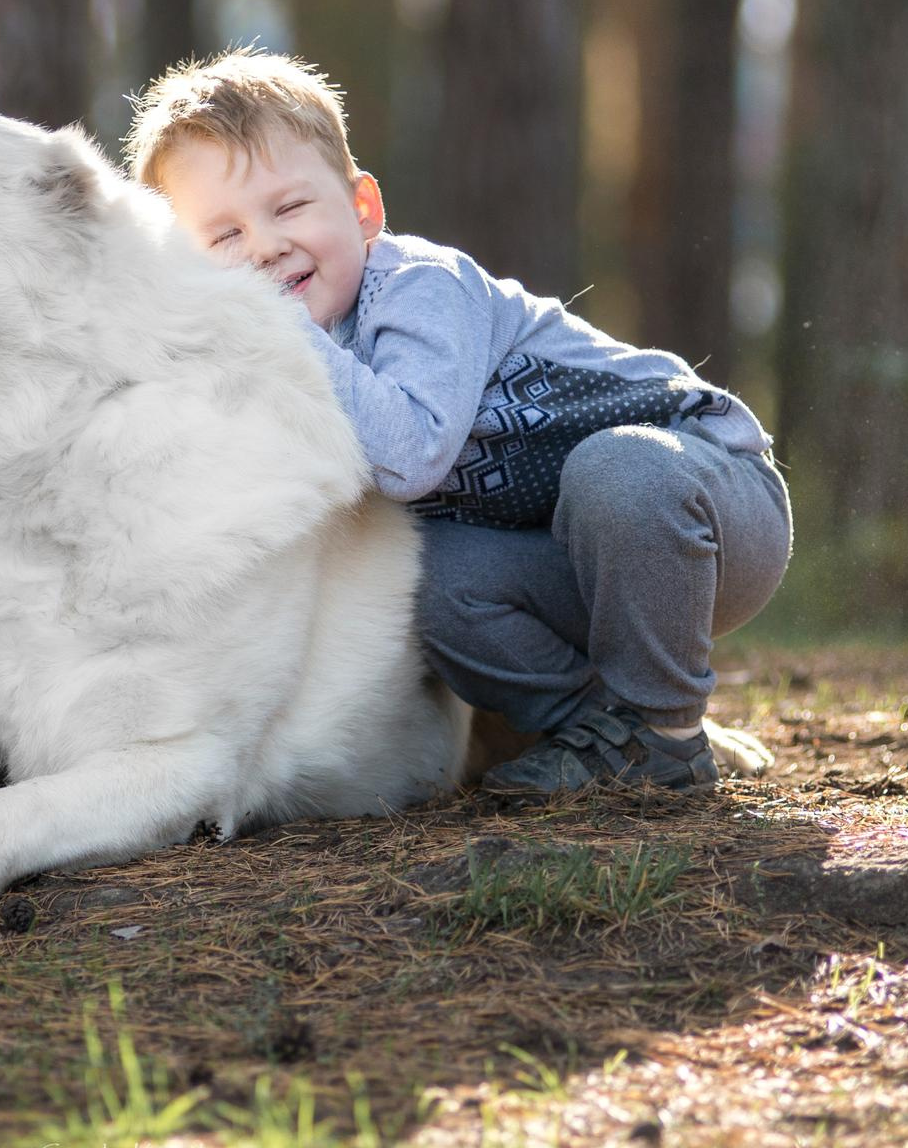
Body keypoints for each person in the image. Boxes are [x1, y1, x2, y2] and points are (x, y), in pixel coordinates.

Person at [124, 48, 792, 794]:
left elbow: (410, 454)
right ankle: (604, 729)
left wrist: (281, 330)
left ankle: (663, 725)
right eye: (224, 237)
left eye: (289, 208)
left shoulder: (416, 288)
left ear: (362, 209)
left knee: (616, 469)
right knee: (429, 583)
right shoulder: (263, 360)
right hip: (565, 561)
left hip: (703, 505)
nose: (265, 247)